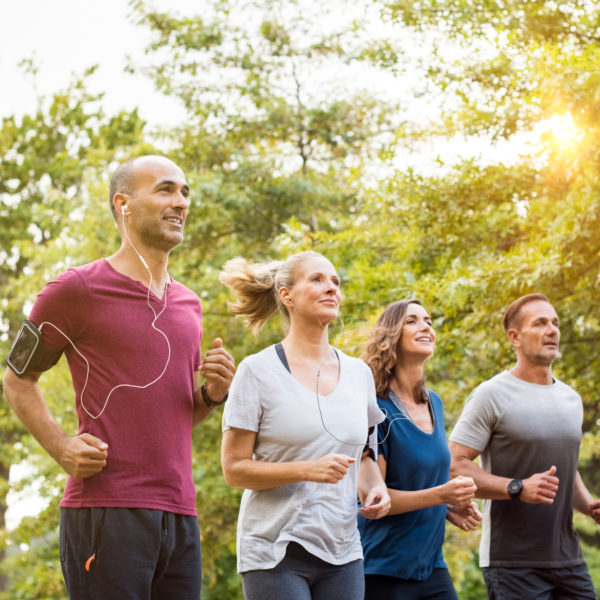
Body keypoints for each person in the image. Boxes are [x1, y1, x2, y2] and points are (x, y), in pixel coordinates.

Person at [3, 155, 235, 599]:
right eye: (165, 189)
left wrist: (211, 394)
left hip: (180, 514)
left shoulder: (189, 304)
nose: (181, 201)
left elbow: (178, 414)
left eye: (185, 192)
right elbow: (17, 378)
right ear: (123, 203)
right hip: (105, 511)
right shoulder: (75, 289)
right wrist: (62, 447)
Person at [218, 251, 391, 600]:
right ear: (287, 296)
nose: (331, 288)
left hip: (343, 550)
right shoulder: (257, 372)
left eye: (335, 282)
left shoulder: (359, 375)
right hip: (274, 549)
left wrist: (377, 490)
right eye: (317, 279)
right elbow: (234, 470)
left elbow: (365, 457)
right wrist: (306, 469)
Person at [449, 293, 600, 599]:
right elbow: (454, 465)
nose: (552, 330)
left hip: (568, 558)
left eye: (555, 323)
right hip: (512, 563)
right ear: (514, 338)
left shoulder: (570, 399)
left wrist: (589, 505)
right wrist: (517, 487)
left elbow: (563, 470)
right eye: (540, 323)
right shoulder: (490, 394)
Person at [358, 299, 481, 600]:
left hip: (431, 566)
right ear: (391, 337)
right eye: (411, 321)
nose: (426, 326)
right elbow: (375, 501)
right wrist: (442, 496)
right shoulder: (376, 407)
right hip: (382, 570)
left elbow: (423, 479)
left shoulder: (434, 403)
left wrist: (447, 507)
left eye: (427, 320)